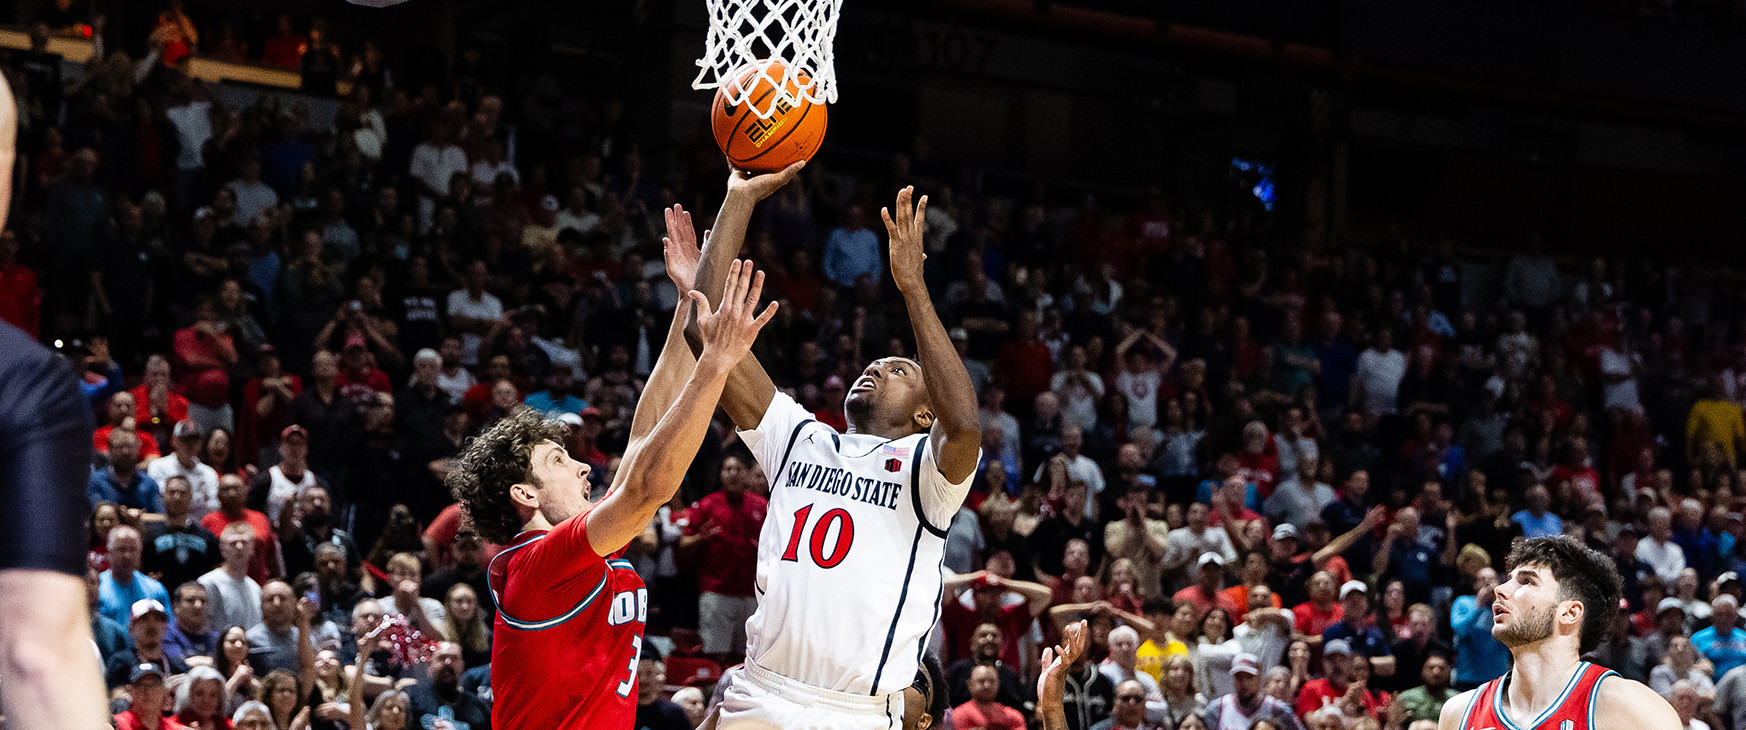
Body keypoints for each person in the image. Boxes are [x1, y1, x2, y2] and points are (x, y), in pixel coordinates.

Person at [683, 177, 983, 729]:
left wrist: (913, 287)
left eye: (899, 370)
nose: (875, 367)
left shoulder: (928, 473)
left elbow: (964, 426)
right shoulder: (800, 436)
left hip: (856, 713)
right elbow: (707, 337)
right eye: (877, 363)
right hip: (759, 693)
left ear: (925, 413)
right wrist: (739, 197)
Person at [449, 228, 777, 728]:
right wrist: (715, 365)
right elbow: (645, 489)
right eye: (559, 461)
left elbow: (645, 432)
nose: (584, 466)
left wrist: (692, 299)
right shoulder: (536, 564)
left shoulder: (587, 551)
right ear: (525, 493)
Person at [1435, 536, 1680, 730]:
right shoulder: (1458, 714)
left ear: (1570, 612)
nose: (1499, 589)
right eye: (1508, 579)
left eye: (1527, 581)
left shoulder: (1630, 708)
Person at [141, 476, 222, 593]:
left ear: (190, 497)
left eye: (182, 493)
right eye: (172, 492)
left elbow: (215, 574)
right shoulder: (148, 536)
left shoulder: (207, 537)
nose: (177, 497)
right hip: (160, 602)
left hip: (196, 603)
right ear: (163, 496)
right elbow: (139, 572)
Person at [1205, 653, 1306, 730]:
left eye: (1249, 677)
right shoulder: (1218, 707)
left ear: (1259, 677)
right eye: (1239, 677)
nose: (1244, 683)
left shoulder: (1277, 709)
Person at [106, 599, 191, 689]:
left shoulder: (177, 666)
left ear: (165, 627)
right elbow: (116, 697)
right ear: (131, 627)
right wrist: (161, 689)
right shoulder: (121, 664)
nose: (152, 625)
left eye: (157, 619)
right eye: (144, 619)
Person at [406, 642, 491, 729]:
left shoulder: (475, 704)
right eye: (441, 658)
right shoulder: (414, 701)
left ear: (462, 665)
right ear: (430, 664)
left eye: (454, 658)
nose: (448, 662)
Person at [200, 523, 263, 631]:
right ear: (222, 548)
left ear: (252, 548)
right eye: (233, 543)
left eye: (244, 542)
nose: (239, 547)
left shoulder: (256, 589)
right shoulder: (208, 583)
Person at [114, 662, 189, 730]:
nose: (148, 692)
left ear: (164, 691)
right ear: (131, 691)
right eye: (140, 685)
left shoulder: (175, 728)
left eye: (154, 685)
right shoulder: (117, 725)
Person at [1391, 652, 1455, 726]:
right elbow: (1393, 726)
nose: (1436, 672)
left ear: (1449, 671)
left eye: (1441, 668)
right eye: (1431, 668)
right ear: (1422, 670)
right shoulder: (1405, 698)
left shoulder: (1458, 699)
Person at [1692, 593, 1746, 679]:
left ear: (1735, 616)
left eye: (1728, 615)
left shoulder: (1744, 637)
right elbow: (1688, 666)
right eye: (1720, 614)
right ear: (1712, 616)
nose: (1724, 619)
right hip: (1711, 687)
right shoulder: (1698, 638)